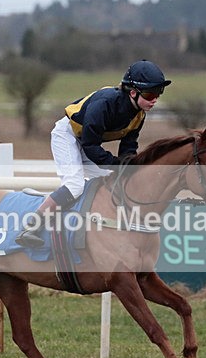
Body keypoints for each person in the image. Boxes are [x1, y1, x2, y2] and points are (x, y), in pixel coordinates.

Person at [16, 60, 171, 248]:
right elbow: (90, 146)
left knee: (111, 180)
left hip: (86, 141)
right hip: (68, 136)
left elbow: (128, 147)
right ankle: (32, 226)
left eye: (158, 93)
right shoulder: (105, 103)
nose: (154, 99)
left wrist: (129, 168)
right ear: (132, 92)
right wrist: (115, 163)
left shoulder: (139, 114)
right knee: (74, 185)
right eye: (150, 94)